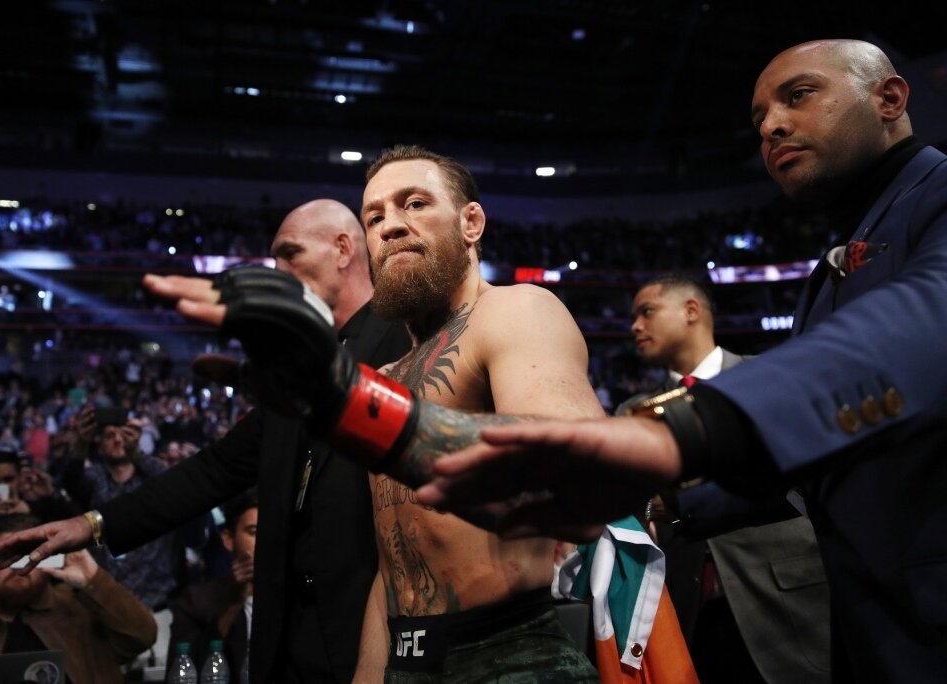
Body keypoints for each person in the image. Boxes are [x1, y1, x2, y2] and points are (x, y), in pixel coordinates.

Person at [412, 39, 947, 681]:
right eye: (759, 118)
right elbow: (821, 471)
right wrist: (663, 495)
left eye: (799, 95)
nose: (772, 126)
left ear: (889, 98)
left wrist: (676, 432)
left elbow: (924, 323)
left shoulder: (936, 195)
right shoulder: (837, 261)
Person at [104, 146, 606, 680]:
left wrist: (355, 406)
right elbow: (390, 574)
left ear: (471, 222)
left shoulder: (516, 311)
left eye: (415, 203)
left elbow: (580, 491)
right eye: (375, 216)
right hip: (403, 657)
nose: (391, 224)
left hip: (508, 652)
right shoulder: (387, 375)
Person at [0, 199, 412, 683]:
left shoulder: (405, 340)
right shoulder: (290, 373)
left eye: (290, 253)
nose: (279, 270)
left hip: (371, 639)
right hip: (288, 643)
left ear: (342, 249)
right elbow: (214, 469)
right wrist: (92, 523)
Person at [618, 275, 830, 683]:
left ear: (691, 311)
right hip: (687, 613)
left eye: (646, 312)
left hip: (788, 603)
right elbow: (636, 509)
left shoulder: (769, 377)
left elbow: (804, 475)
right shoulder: (633, 411)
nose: (635, 327)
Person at [0, 513, 157, 684]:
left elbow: (143, 637)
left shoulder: (84, 610)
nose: (17, 566)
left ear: (47, 559)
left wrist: (93, 581)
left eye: (28, 556)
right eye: (3, 557)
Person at [167, 488, 258, 678]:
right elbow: (184, 673)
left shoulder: (298, 599)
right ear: (228, 539)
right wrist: (235, 601)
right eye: (254, 532)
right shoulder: (196, 603)